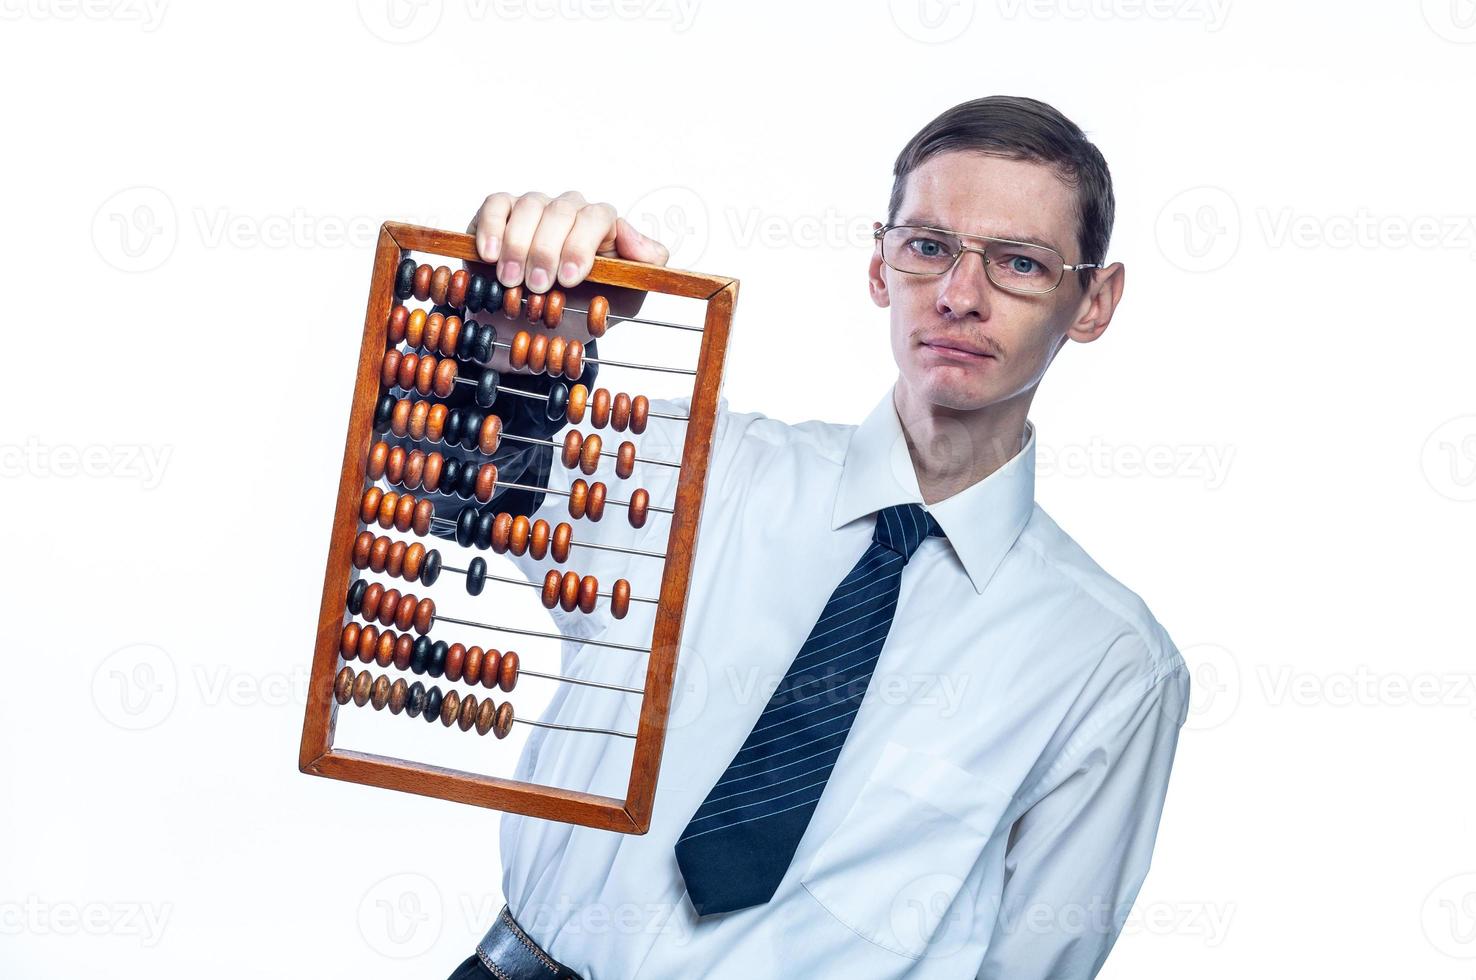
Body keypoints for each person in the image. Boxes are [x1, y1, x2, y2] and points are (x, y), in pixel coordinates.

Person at [440, 95, 1190, 980]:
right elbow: (468, 488)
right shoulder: (695, 467)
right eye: (928, 248)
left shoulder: (1111, 665)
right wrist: (512, 334)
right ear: (880, 265)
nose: (959, 296)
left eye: (1020, 263)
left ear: (1093, 301)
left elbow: (1032, 964)